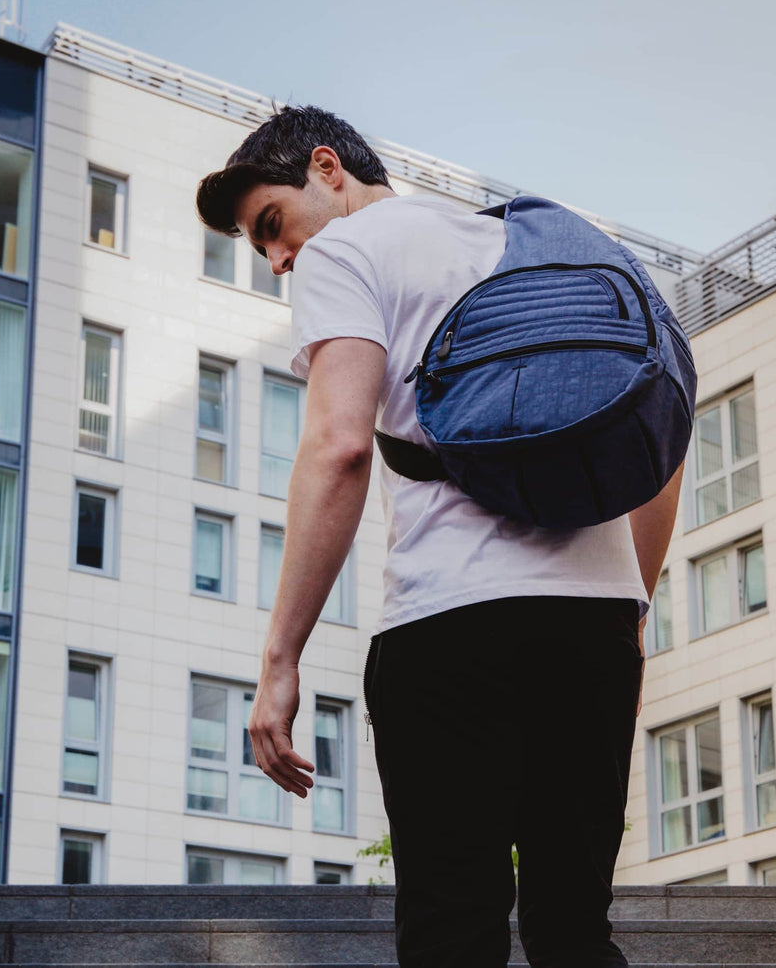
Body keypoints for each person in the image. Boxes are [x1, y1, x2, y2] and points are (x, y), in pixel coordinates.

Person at [196, 105, 683, 968]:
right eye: (260, 250)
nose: (277, 260)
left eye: (272, 225)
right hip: (594, 628)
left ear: (328, 168)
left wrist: (280, 663)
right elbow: (662, 437)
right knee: (574, 930)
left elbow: (340, 446)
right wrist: (630, 612)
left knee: (451, 931)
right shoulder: (548, 244)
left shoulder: (348, 251)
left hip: (452, 624)